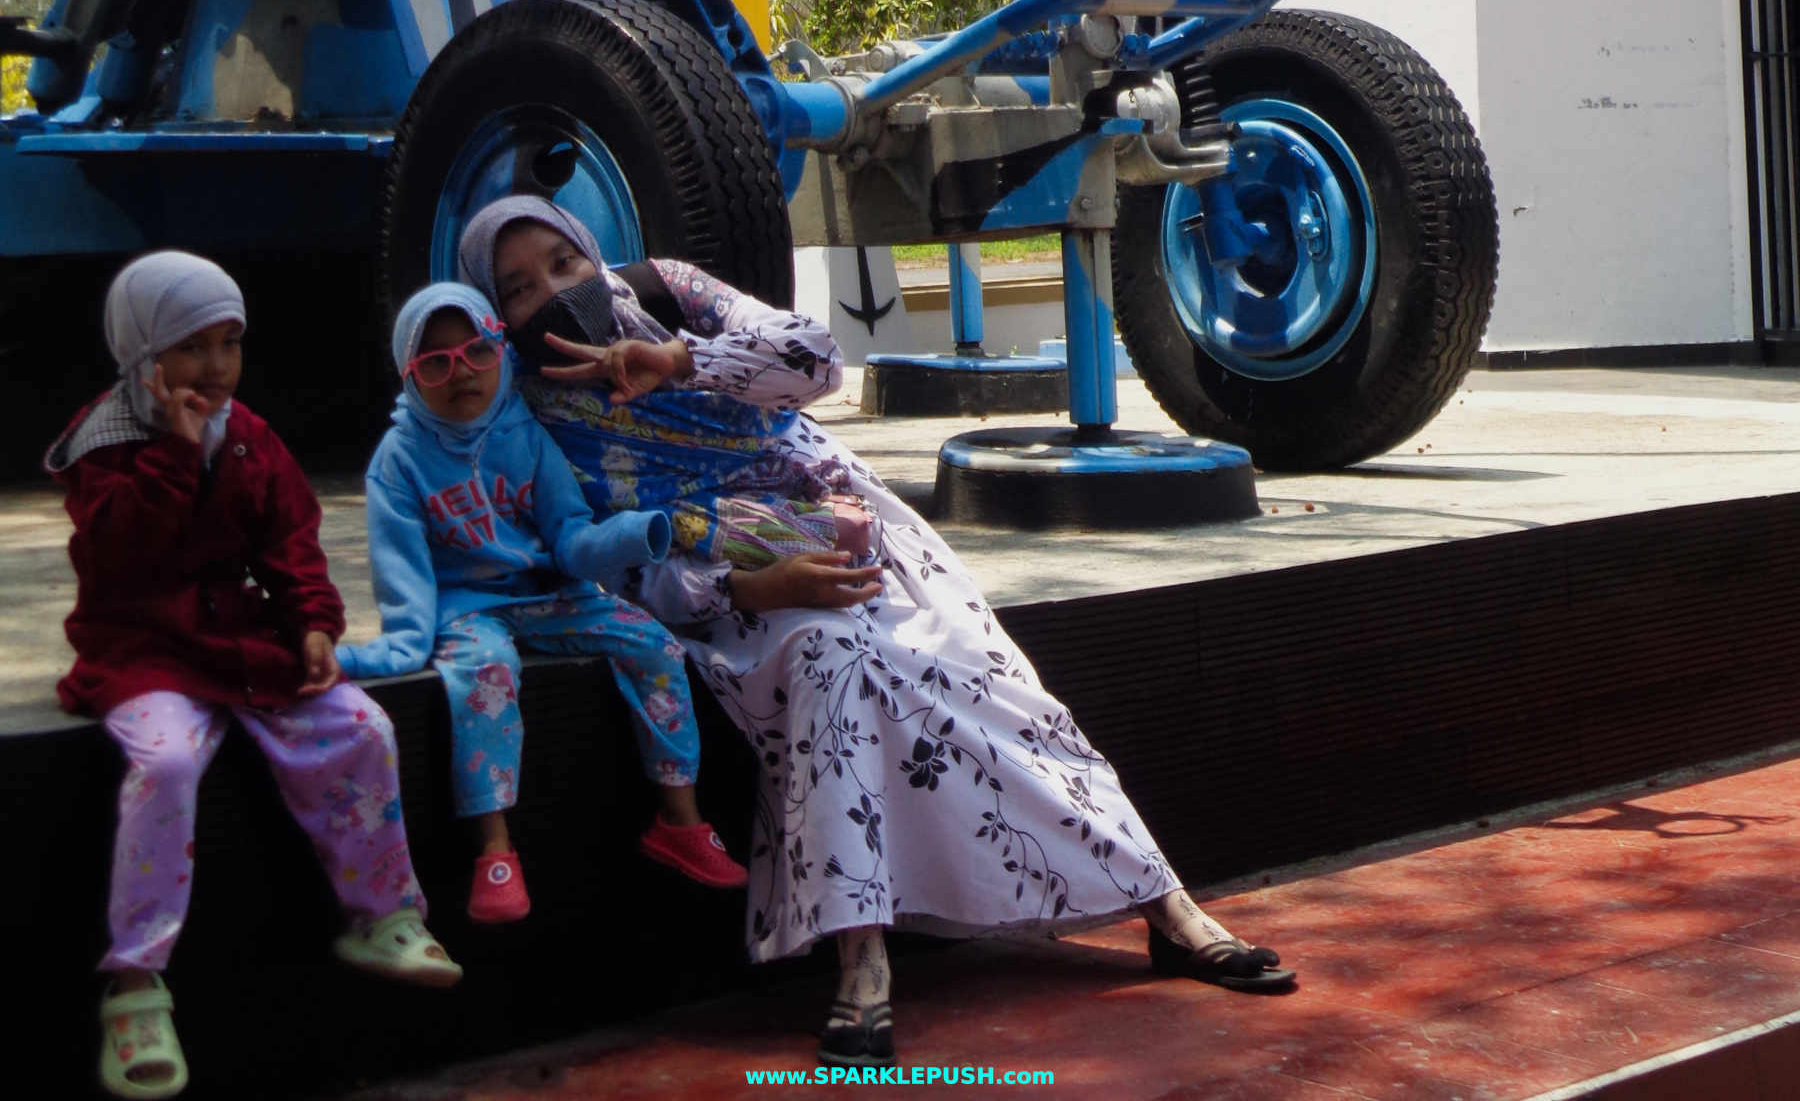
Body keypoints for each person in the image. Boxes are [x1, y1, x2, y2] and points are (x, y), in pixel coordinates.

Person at [458, 198, 1296, 1071]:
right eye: (518, 289)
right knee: (831, 656)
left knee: (982, 674)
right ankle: (862, 962)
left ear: (594, 255)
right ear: (499, 317)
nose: (554, 293)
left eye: (564, 263)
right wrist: (754, 584)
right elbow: (608, 560)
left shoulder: (669, 292)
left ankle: (1169, 909)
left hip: (842, 518)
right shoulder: (537, 420)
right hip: (727, 574)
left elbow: (815, 360)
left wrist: (678, 361)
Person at [46, 252, 460, 1101]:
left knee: (361, 728)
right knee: (163, 764)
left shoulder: (250, 435)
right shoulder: (104, 443)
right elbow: (121, 559)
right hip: (144, 650)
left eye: (229, 342)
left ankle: (381, 913)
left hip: (245, 645)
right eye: (191, 347)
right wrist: (171, 452)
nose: (215, 366)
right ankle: (136, 983)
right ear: (141, 354)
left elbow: (292, 541)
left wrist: (314, 622)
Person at [336, 283, 748, 925]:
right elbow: (405, 578)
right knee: (485, 677)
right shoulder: (399, 462)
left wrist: (635, 534)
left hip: (552, 592)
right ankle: (494, 851)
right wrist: (391, 650)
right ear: (409, 378)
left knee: (654, 644)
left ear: (500, 348)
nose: (462, 373)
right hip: (467, 609)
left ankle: (680, 818)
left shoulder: (524, 434)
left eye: (477, 351)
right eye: (435, 363)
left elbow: (571, 539)